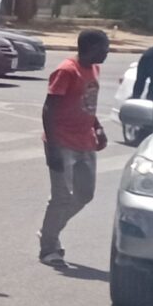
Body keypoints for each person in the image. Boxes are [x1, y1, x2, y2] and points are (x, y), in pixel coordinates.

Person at [39, 29, 111, 267]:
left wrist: (98, 127)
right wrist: (53, 149)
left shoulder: (94, 69)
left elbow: (87, 104)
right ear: (90, 47)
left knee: (84, 195)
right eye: (104, 47)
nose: (107, 51)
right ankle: (49, 246)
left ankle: (50, 229)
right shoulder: (66, 71)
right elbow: (49, 109)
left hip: (85, 142)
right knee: (61, 197)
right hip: (62, 142)